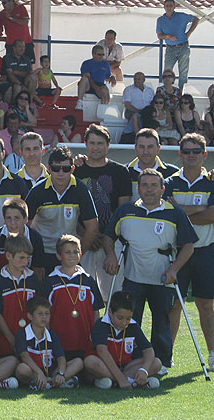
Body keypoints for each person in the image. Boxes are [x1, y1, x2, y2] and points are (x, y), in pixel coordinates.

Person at [103, 168, 197, 373]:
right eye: (144, 185)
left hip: (163, 277)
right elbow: (109, 236)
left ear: (162, 189)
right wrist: (110, 254)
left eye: (154, 185)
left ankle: (162, 361)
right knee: (129, 319)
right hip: (133, 277)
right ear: (138, 188)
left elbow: (188, 245)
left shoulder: (175, 213)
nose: (149, 189)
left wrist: (174, 269)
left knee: (162, 321)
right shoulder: (126, 210)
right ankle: (130, 358)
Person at [163, 133, 214, 372]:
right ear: (180, 154)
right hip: (177, 252)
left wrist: (182, 211)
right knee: (174, 305)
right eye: (186, 151)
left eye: (196, 152)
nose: (191, 156)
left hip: (206, 251)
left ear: (204, 155)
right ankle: (166, 356)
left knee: (205, 304)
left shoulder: (213, 182)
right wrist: (198, 209)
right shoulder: (170, 182)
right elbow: (169, 214)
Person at [74, 124, 132, 301]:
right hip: (82, 239)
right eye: (92, 143)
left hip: (111, 240)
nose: (96, 147)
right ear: (85, 144)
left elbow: (122, 211)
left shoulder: (120, 171)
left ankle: (110, 328)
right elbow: (71, 208)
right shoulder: (77, 170)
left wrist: (105, 237)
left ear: (108, 145)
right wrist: (87, 235)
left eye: (100, 143)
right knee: (82, 294)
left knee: (113, 294)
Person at [25, 146, 98, 273]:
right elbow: (24, 227)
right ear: (48, 169)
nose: (60, 173)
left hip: (68, 254)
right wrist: (33, 256)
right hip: (42, 253)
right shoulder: (37, 191)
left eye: (65, 169)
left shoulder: (81, 190)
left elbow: (92, 228)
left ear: (73, 169)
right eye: (56, 168)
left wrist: (77, 254)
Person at [84, 291, 162, 389]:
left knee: (156, 362)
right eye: (120, 318)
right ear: (110, 311)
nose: (124, 323)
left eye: (128, 318)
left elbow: (148, 350)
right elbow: (102, 351)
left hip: (126, 368)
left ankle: (113, 382)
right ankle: (130, 382)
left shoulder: (133, 326)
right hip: (105, 366)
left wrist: (144, 370)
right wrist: (121, 379)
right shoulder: (101, 325)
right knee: (90, 362)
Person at [44, 235, 103, 361]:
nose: (72, 255)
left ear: (80, 254)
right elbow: (44, 312)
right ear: (59, 256)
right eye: (67, 252)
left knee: (86, 366)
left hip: (84, 340)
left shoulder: (88, 280)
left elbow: (96, 312)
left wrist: (96, 336)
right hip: (59, 342)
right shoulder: (50, 281)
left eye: (75, 252)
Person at [14, 296, 82, 390]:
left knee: (78, 362)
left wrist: (61, 373)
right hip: (34, 371)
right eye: (40, 314)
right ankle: (50, 383)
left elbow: (61, 358)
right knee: (21, 369)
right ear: (30, 316)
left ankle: (53, 382)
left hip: (51, 371)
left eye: (47, 314)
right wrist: (39, 372)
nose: (44, 317)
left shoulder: (51, 335)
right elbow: (24, 356)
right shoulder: (22, 334)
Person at [0, 234, 39, 357]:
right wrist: (11, 338)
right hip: (6, 340)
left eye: (27, 258)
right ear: (8, 256)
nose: (25, 262)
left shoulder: (33, 279)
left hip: (30, 339)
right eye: (21, 257)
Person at [0, 197, 45, 282]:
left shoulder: (35, 238)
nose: (12, 223)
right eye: (8, 218)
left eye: (16, 218)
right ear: (4, 219)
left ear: (26, 219)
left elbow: (38, 270)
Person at [126, 128, 179, 202]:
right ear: (135, 148)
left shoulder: (173, 173)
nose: (146, 152)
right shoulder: (124, 172)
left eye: (150, 147)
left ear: (158, 148)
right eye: (142, 147)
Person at [156, 0, 199, 90]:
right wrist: (168, 36)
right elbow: (159, 35)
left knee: (183, 72)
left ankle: (181, 94)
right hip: (170, 48)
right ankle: (167, 91)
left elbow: (196, 19)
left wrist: (189, 33)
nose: (169, 7)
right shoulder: (160, 20)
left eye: (171, 5)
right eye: (167, 5)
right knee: (167, 71)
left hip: (183, 46)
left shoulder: (181, 16)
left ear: (174, 7)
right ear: (164, 7)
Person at [76, 45, 115, 109]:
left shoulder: (105, 64)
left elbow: (108, 76)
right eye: (99, 54)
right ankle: (80, 101)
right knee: (84, 79)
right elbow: (87, 76)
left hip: (100, 84)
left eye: (103, 54)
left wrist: (112, 78)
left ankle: (103, 110)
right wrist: (95, 87)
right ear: (93, 54)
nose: (101, 56)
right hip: (89, 84)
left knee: (105, 92)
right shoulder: (87, 63)